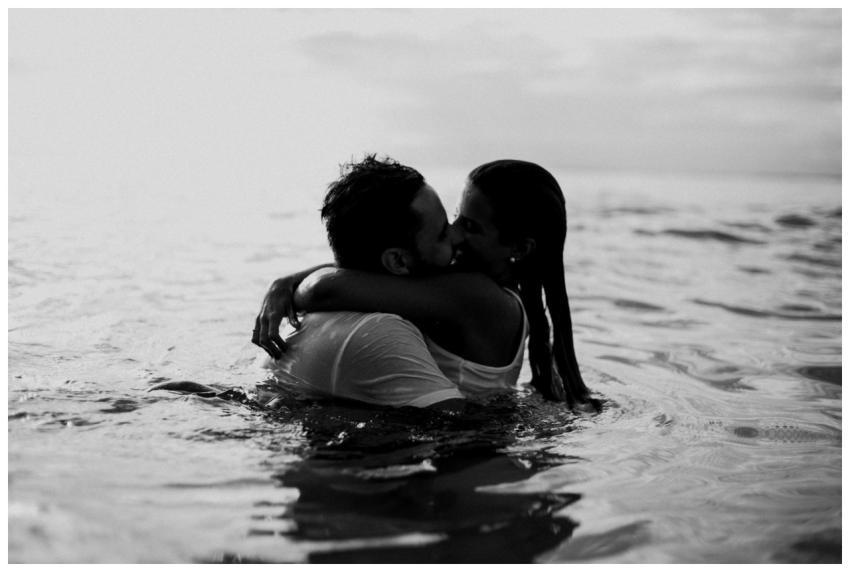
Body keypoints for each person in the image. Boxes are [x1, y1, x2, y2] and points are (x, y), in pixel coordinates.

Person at [255, 158, 594, 409]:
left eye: (471, 227)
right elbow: (371, 272)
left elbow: (327, 289)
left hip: (461, 446)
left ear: (518, 249)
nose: (455, 234)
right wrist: (285, 282)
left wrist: (289, 285)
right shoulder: (464, 287)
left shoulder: (477, 296)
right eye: (456, 218)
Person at [253, 155, 466, 411]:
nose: (457, 236)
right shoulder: (382, 330)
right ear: (398, 261)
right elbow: (453, 421)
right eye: (442, 234)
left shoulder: (314, 315)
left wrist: (286, 283)